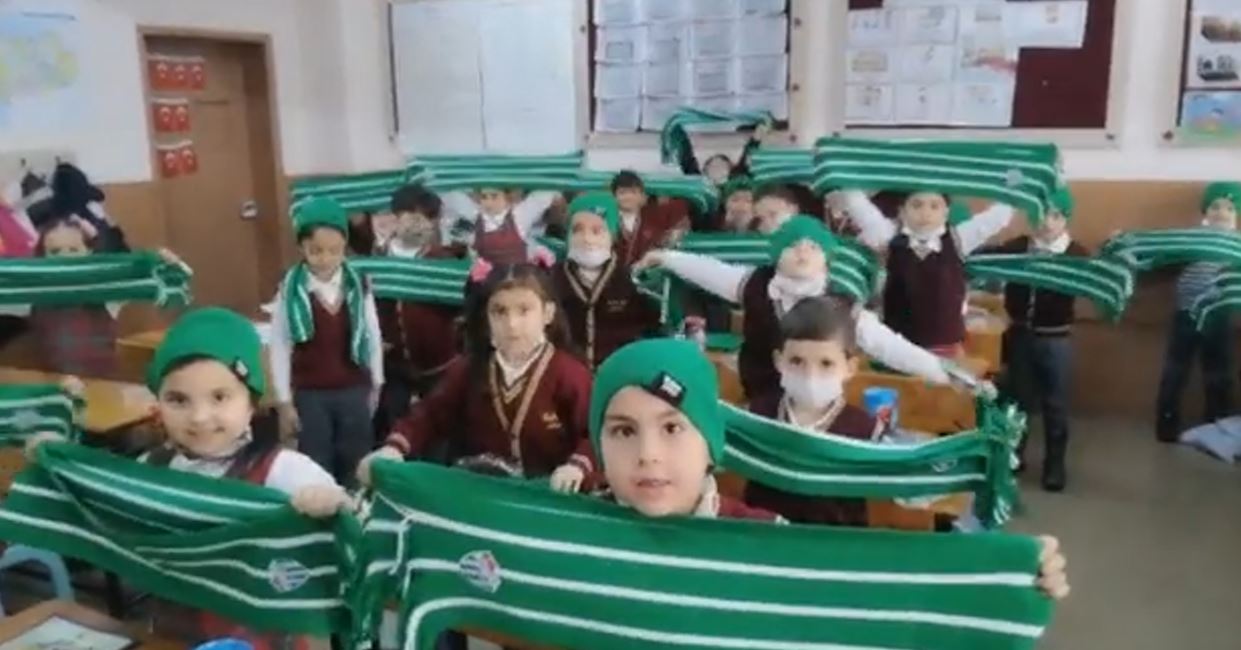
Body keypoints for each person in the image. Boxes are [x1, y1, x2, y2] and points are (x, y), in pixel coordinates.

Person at [588, 337, 1071, 601]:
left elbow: (880, 601)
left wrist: (1004, 578)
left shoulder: (771, 541)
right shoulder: (571, 529)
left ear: (712, 443)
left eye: (673, 428)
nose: (648, 454)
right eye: (623, 431)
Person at [26, 308, 348, 649]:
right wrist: (56, 462)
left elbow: (349, 523)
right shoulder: (152, 468)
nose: (199, 417)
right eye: (178, 400)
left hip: (264, 636)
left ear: (251, 404)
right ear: (158, 405)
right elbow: (100, 504)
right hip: (175, 630)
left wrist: (331, 503)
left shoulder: (284, 470)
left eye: (220, 397)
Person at [636, 216, 961, 399]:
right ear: (776, 255)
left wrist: (941, 371)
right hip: (761, 396)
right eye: (793, 246)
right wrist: (667, 257)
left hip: (819, 401)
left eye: (813, 247)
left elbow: (888, 346)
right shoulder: (755, 284)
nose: (803, 252)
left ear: (827, 260)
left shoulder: (843, 306)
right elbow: (710, 271)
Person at [358, 263, 595, 493]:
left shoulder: (569, 374)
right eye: (499, 312)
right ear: (486, 318)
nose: (512, 324)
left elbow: (595, 435)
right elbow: (429, 415)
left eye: (524, 310)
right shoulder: (470, 369)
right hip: (483, 494)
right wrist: (394, 448)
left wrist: (578, 466)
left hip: (549, 497)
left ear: (548, 313)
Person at [268, 197, 384, 486]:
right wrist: (284, 401)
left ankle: (356, 506)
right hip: (311, 394)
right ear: (301, 248)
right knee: (316, 462)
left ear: (345, 246)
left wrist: (377, 381)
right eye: (315, 251)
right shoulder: (291, 288)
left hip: (353, 388)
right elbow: (280, 344)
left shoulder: (358, 284)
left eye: (334, 251)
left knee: (356, 459)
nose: (325, 259)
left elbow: (372, 334)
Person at [743, 297, 885, 525]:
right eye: (796, 361)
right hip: (766, 538)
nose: (810, 375)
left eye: (826, 363)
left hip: (833, 543)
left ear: (850, 368)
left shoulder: (866, 431)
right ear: (779, 361)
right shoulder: (755, 417)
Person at [989, 188, 1088, 492]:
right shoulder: (1017, 247)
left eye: (1055, 216)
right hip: (1019, 335)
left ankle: (1055, 465)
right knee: (1017, 401)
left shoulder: (1076, 254)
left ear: (1065, 219)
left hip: (1056, 338)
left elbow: (1096, 279)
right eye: (1040, 215)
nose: (1047, 222)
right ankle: (1014, 456)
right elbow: (986, 261)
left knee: (1055, 404)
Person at [841, 190, 1014, 355]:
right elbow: (860, 209)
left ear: (945, 212)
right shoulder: (890, 238)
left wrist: (1016, 183)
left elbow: (995, 219)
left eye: (934, 206)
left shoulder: (958, 239)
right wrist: (843, 178)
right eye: (917, 205)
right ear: (902, 211)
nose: (925, 213)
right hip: (897, 348)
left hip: (946, 348)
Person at [27, 218, 182, 377]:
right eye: (55, 252)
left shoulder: (106, 289)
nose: (65, 258)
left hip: (103, 384)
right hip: (56, 384)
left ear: (88, 252)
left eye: (73, 250)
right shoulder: (33, 293)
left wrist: (165, 262)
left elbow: (152, 278)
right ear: (42, 257)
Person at [375, 185, 468, 436]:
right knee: (394, 428)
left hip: (439, 368)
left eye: (428, 218)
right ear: (396, 217)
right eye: (413, 216)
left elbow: (461, 306)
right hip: (394, 370)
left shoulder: (444, 261)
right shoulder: (377, 260)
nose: (420, 224)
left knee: (442, 430)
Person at [1155, 181, 1241, 442]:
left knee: (1218, 374)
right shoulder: (1192, 239)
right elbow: (1161, 256)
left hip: (1219, 316)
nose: (1221, 213)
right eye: (1215, 207)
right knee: (1175, 371)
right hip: (1187, 314)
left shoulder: (1237, 243)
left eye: (1229, 208)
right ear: (1205, 212)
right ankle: (1166, 426)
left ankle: (1217, 427)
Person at [552, 192, 660, 370]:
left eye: (597, 231)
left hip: (619, 375)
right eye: (577, 230)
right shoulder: (550, 281)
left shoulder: (633, 283)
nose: (587, 239)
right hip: (566, 375)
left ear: (612, 235)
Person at [440, 185, 559, 264]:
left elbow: (549, 193)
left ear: (508, 198)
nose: (489, 203)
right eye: (484, 197)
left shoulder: (520, 215)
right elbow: (450, 198)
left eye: (494, 197)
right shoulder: (473, 216)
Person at [611, 171, 691, 265]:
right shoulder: (607, 218)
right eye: (622, 193)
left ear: (642, 195)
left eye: (633, 192)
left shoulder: (654, 215)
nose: (628, 197)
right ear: (614, 196)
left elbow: (681, 206)